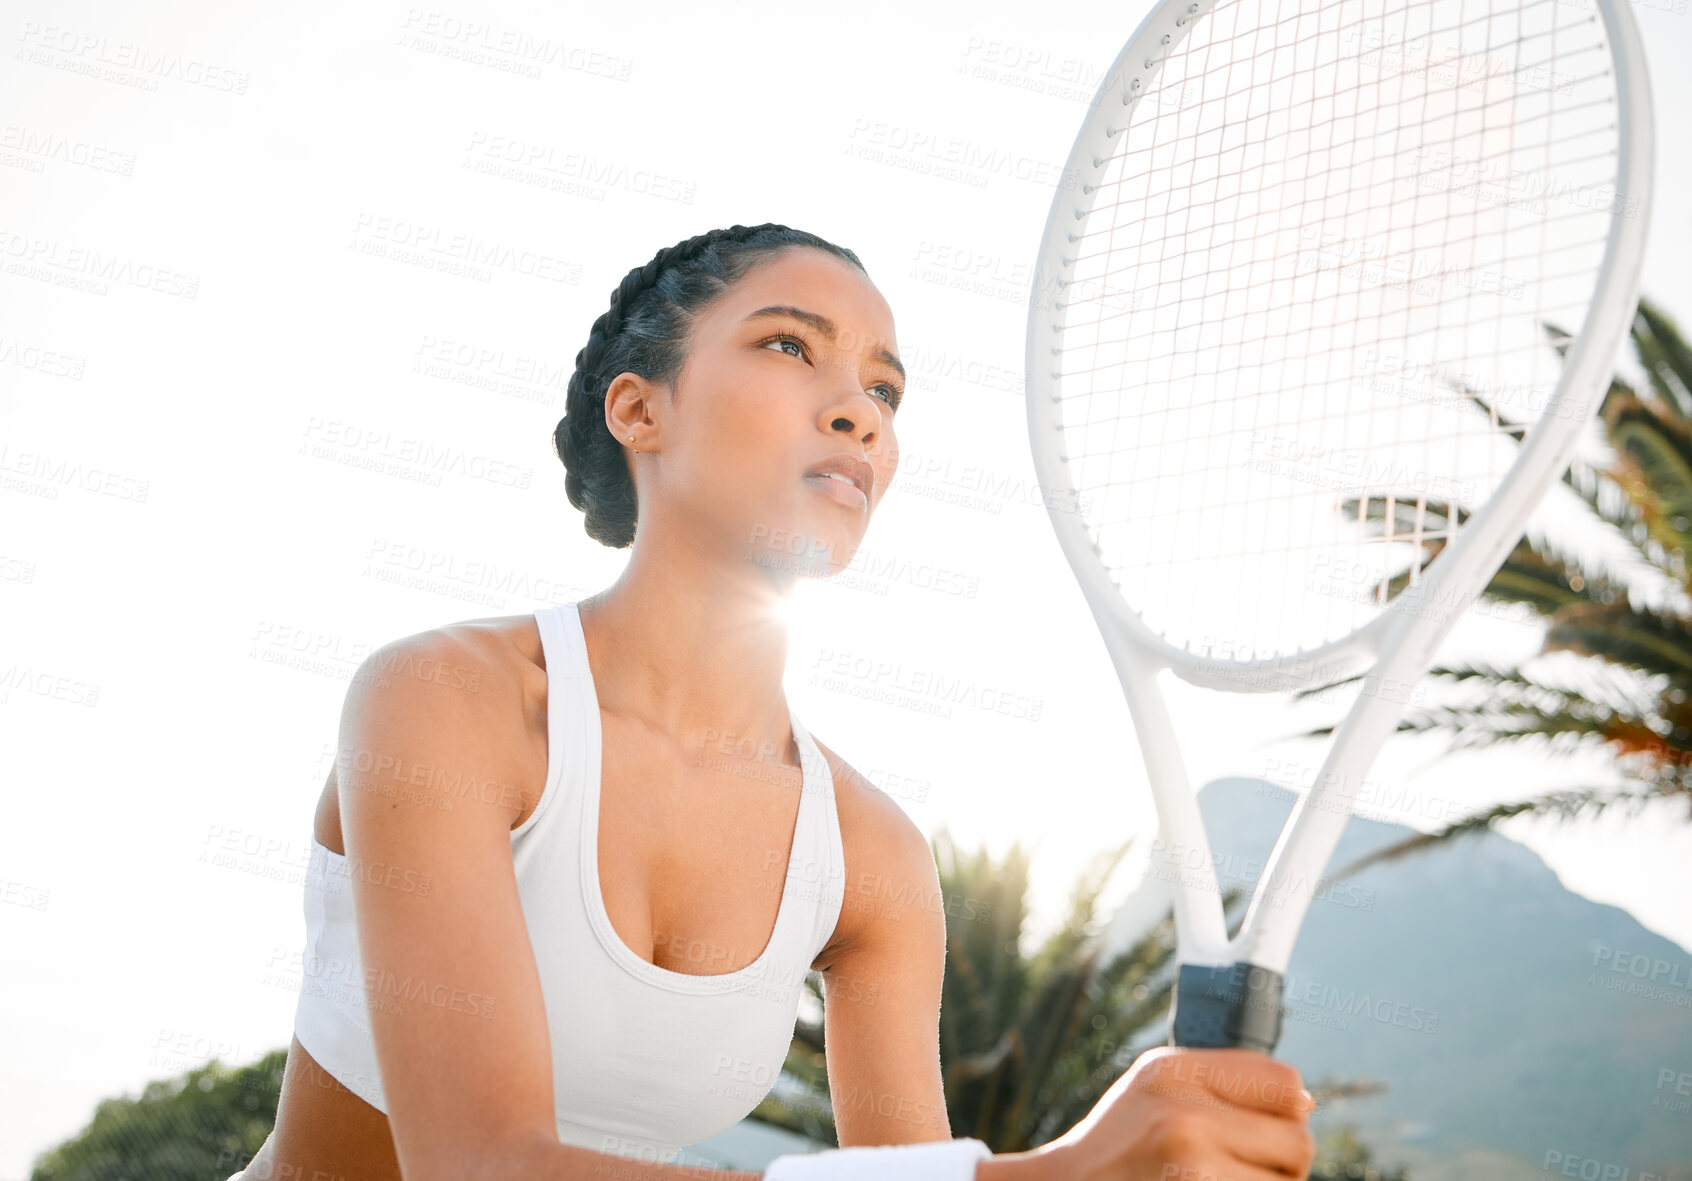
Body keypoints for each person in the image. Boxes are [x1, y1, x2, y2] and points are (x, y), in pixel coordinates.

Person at [230, 223, 1318, 1181]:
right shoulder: (448, 701)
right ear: (639, 408)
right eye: (791, 346)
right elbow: (477, 1165)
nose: (858, 411)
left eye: (885, 390)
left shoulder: (870, 853)